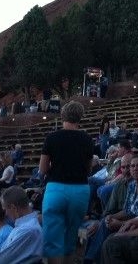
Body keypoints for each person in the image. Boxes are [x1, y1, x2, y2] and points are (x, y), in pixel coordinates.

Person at [39, 100, 95, 264]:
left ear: (63, 115)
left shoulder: (52, 138)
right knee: (70, 239)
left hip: (56, 188)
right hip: (80, 191)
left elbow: (42, 169)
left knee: (52, 240)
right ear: (80, 117)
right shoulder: (87, 139)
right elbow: (89, 169)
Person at [83, 154, 138, 263]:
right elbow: (124, 210)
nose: (130, 170)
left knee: (106, 233)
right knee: (96, 229)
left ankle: (89, 261)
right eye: (125, 167)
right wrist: (109, 218)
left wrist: (119, 223)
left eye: (134, 166)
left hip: (136, 226)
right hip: (124, 222)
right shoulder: (125, 186)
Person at [0, 185, 43, 264]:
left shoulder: (28, 230)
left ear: (13, 208)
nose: (5, 214)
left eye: (5, 209)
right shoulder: (26, 226)